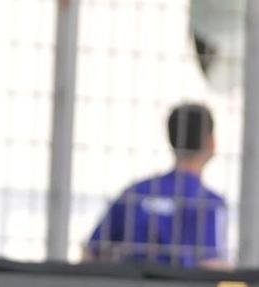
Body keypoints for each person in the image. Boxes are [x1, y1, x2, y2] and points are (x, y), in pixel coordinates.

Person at [84, 102, 228, 268]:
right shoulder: (209, 203)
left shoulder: (136, 193)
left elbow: (91, 252)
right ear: (211, 143)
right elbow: (212, 266)